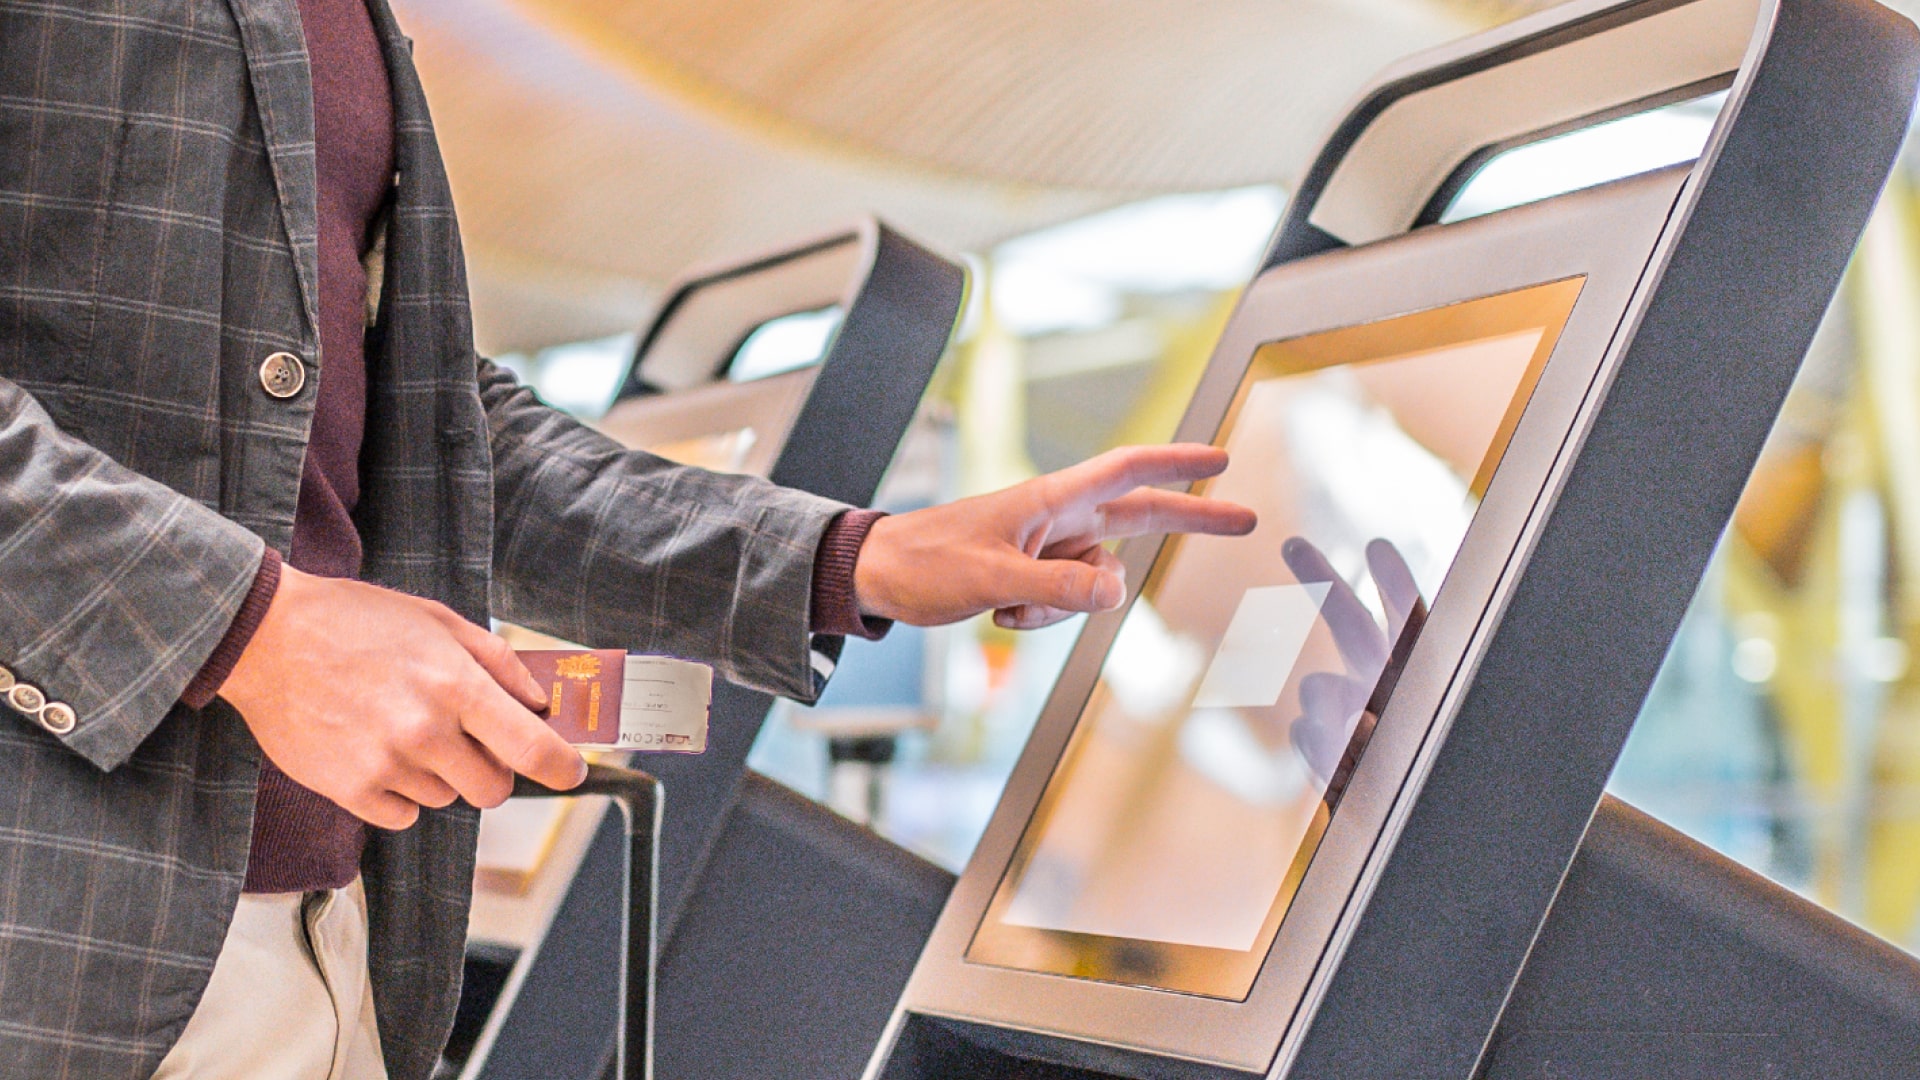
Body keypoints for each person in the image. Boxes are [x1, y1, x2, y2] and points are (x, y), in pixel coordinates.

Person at [0, 1, 1254, 1078]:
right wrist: (248, 629)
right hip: (57, 954)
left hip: (331, 939)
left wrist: (849, 558)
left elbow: (430, 431)